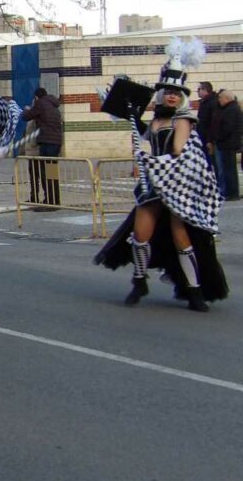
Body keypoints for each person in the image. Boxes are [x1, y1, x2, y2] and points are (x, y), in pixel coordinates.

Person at [94, 37, 227, 312]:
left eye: (177, 93)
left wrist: (149, 160)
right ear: (161, 93)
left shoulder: (183, 120)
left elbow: (177, 150)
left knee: (181, 237)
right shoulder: (157, 119)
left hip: (176, 185)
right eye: (168, 91)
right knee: (140, 235)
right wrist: (130, 115)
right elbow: (147, 136)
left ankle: (194, 291)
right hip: (154, 185)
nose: (172, 96)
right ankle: (139, 282)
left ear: (182, 97)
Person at [21, 87, 63, 205]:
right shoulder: (53, 105)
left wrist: (26, 110)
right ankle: (55, 199)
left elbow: (26, 116)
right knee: (52, 172)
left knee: (45, 173)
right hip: (56, 142)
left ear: (36, 97)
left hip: (47, 142)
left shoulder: (40, 103)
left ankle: (49, 200)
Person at [212, 89, 241, 200]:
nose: (219, 100)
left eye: (220, 98)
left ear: (227, 98)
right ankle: (231, 192)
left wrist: (218, 138)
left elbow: (227, 128)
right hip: (229, 143)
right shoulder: (232, 108)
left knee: (229, 170)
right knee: (229, 169)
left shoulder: (231, 110)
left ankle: (232, 193)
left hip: (228, 144)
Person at [195, 81, 217, 166]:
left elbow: (212, 123)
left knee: (211, 162)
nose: (197, 91)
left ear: (205, 90)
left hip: (208, 138)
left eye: (199, 89)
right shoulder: (204, 102)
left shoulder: (212, 102)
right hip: (202, 136)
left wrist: (209, 140)